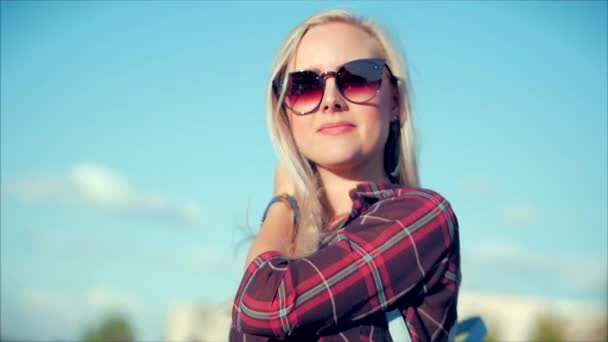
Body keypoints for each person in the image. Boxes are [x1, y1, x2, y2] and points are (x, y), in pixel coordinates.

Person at [230, 9, 461, 342]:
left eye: (358, 77)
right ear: (286, 115)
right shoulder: (281, 247)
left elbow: (264, 307)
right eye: (304, 86)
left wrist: (284, 201)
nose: (331, 100)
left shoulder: (422, 217)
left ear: (397, 103)